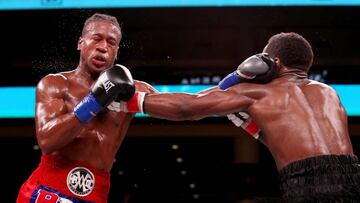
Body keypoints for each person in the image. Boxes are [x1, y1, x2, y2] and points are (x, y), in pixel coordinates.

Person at [123, 32, 360, 202]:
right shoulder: (330, 94)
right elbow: (317, 154)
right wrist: (258, 131)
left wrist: (129, 99)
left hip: (304, 188)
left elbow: (189, 106)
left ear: (271, 62)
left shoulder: (259, 92)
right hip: (353, 182)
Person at [16, 13, 158, 203]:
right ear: (80, 43)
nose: (103, 47)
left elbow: (184, 106)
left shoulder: (132, 90)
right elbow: (46, 141)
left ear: (116, 52)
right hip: (47, 188)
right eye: (96, 39)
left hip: (95, 193)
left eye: (111, 43)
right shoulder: (56, 84)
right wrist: (95, 101)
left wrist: (212, 98)